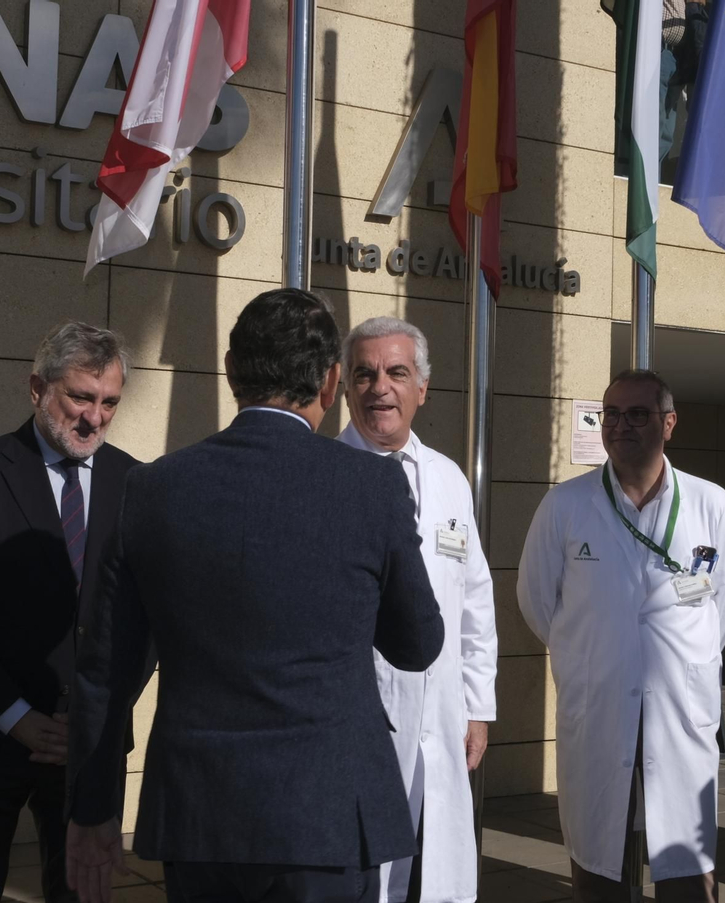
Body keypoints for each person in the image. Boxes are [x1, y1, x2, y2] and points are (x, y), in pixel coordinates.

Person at [65, 288, 445, 903]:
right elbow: (418, 643)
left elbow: (105, 671)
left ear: (231, 371)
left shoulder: (152, 488)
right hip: (326, 815)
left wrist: (90, 811)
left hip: (200, 812)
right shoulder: (373, 486)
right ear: (330, 382)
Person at [0, 322, 140, 903]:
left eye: (110, 401)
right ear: (37, 388)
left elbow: (147, 620)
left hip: (89, 745)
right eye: (81, 397)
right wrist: (15, 716)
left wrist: (100, 715)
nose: (95, 416)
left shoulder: (136, 483)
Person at [517, 369, 725, 903]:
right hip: (598, 703)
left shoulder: (710, 503)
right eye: (612, 414)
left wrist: (686, 657)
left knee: (685, 866)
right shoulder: (566, 505)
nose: (621, 425)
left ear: (669, 423)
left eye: (638, 414)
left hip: (678, 708)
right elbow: (535, 600)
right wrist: (592, 653)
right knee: (599, 860)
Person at [337, 317, 498, 903]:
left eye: (397, 372)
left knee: (433, 875)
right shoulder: (325, 476)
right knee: (368, 879)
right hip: (360, 724)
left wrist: (478, 707)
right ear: (346, 387)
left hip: (445, 723)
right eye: (365, 373)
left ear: (422, 389)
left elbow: (475, 599)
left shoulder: (450, 478)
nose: (381, 386)